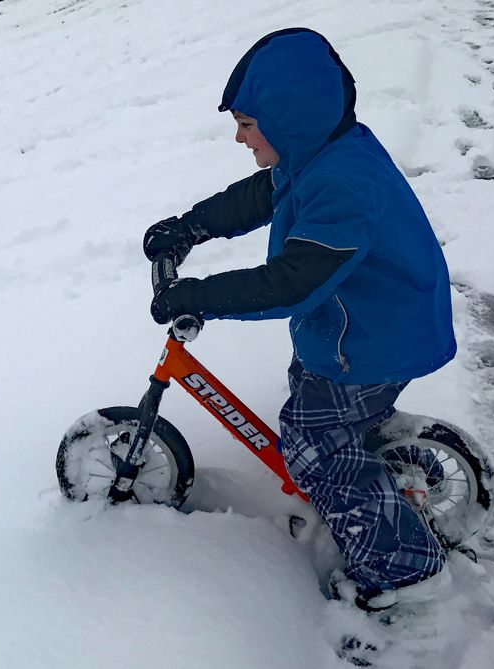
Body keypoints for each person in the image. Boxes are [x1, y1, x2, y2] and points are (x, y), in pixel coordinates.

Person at [143, 28, 456, 612]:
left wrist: (199, 296)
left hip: (372, 341)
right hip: (361, 323)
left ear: (288, 121)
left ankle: (401, 566)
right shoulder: (321, 152)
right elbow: (264, 194)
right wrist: (191, 226)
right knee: (319, 404)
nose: (240, 138)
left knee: (311, 444)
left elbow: (293, 282)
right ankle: (362, 452)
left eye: (246, 124)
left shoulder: (341, 183)